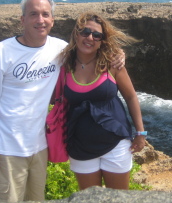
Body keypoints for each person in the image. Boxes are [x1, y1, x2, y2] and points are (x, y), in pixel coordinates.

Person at [0, 0, 125, 203]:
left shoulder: (60, 49)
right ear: (23, 19)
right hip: (6, 149)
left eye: (45, 14)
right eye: (33, 14)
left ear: (52, 20)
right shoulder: (0, 53)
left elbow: (91, 47)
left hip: (39, 148)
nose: (40, 20)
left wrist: (119, 53)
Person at [59, 12, 146, 190]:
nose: (90, 37)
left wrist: (140, 132)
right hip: (80, 146)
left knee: (118, 202)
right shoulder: (64, 63)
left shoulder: (112, 63)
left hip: (115, 144)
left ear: (101, 40)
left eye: (96, 35)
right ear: (76, 34)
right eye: (85, 32)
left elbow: (130, 96)